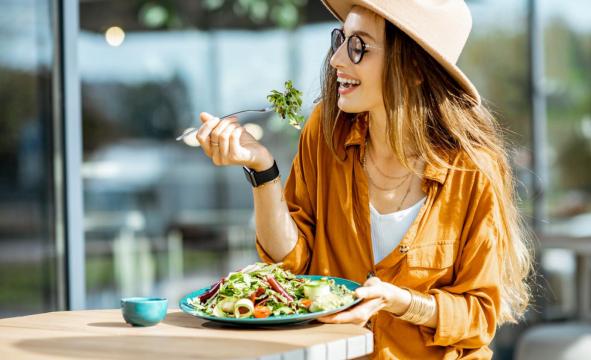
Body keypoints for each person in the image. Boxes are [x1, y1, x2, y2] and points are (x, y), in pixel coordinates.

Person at [195, 0, 533, 358]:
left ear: (415, 66)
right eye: (340, 39)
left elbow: (480, 316)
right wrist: (264, 170)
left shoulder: (474, 169)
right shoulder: (325, 133)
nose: (337, 59)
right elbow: (290, 264)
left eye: (359, 47)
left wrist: (401, 302)